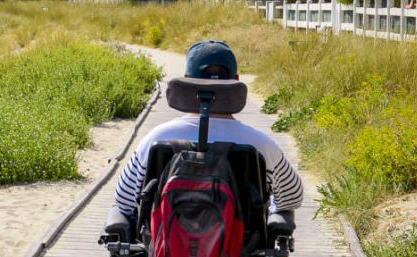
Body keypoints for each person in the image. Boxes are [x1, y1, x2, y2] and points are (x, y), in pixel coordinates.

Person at [111, 40, 303, 221]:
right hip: (241, 253)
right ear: (235, 81)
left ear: (187, 80)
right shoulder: (260, 144)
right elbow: (293, 198)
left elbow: (124, 201)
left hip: (167, 253)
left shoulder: (157, 139)